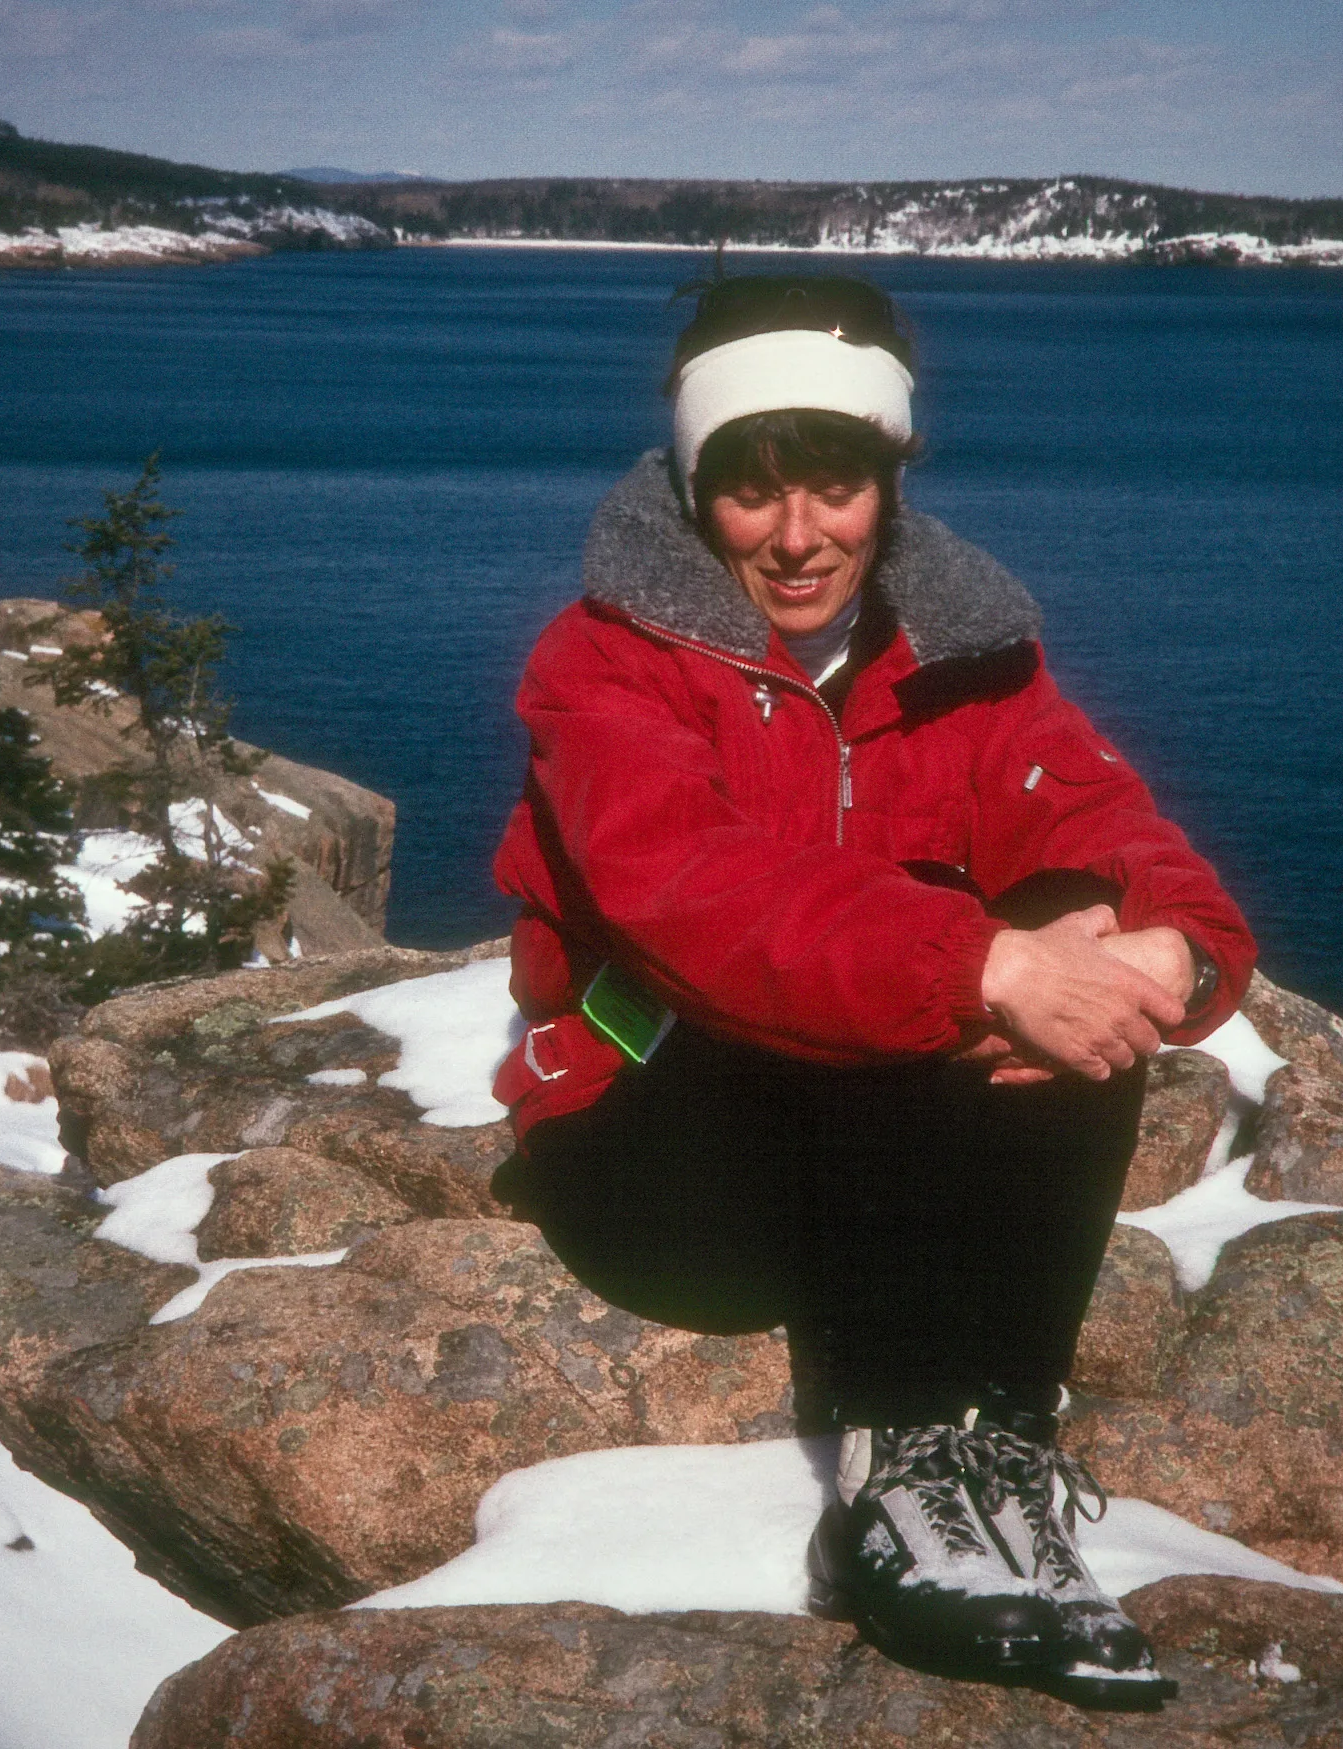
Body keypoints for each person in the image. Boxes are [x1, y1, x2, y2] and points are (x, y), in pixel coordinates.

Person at [486, 273, 1255, 1706]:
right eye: (748, 492)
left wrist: (1171, 952)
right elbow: (697, 902)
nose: (795, 538)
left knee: (1068, 932)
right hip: (654, 1161)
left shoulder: (959, 653)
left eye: (832, 484)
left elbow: (1105, 823)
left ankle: (993, 1439)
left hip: (856, 1177)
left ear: (888, 479)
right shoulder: (603, 665)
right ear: (691, 486)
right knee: (943, 974)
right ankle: (900, 1477)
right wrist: (979, 968)